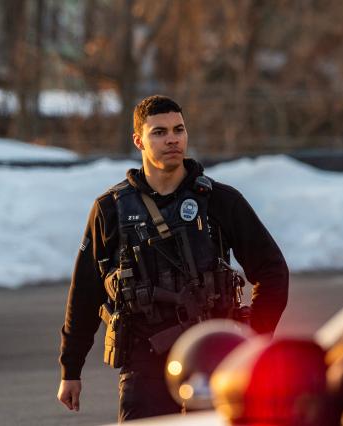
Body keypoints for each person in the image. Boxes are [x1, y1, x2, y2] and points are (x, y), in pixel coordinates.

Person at [57, 95, 289, 422]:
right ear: (138, 140)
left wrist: (254, 337)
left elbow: (272, 270)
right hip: (143, 360)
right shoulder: (110, 209)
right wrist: (71, 368)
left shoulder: (220, 201)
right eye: (159, 132)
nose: (172, 139)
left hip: (215, 357)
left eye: (178, 129)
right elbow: (85, 292)